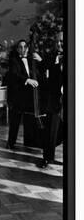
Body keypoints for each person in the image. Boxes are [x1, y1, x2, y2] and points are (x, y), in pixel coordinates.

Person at [6, 39, 42, 149]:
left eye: (25, 47)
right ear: (17, 49)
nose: (23, 49)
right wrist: (27, 80)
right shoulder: (14, 60)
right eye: (20, 47)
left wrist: (40, 60)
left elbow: (39, 73)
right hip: (17, 96)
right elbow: (14, 74)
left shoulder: (32, 60)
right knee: (15, 121)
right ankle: (11, 143)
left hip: (29, 96)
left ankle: (29, 142)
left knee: (29, 120)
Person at [38, 31, 64, 168]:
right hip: (54, 99)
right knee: (50, 130)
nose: (59, 44)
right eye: (57, 41)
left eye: (62, 41)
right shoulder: (51, 56)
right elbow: (42, 69)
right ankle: (47, 158)